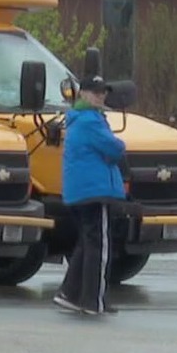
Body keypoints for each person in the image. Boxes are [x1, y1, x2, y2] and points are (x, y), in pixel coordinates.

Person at [52, 75, 126, 316]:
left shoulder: (80, 119)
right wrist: (118, 148)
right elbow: (114, 147)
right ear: (82, 94)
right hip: (95, 191)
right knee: (99, 246)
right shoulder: (90, 121)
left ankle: (70, 294)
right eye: (95, 92)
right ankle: (94, 301)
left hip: (81, 192)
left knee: (87, 243)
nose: (101, 96)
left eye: (103, 92)